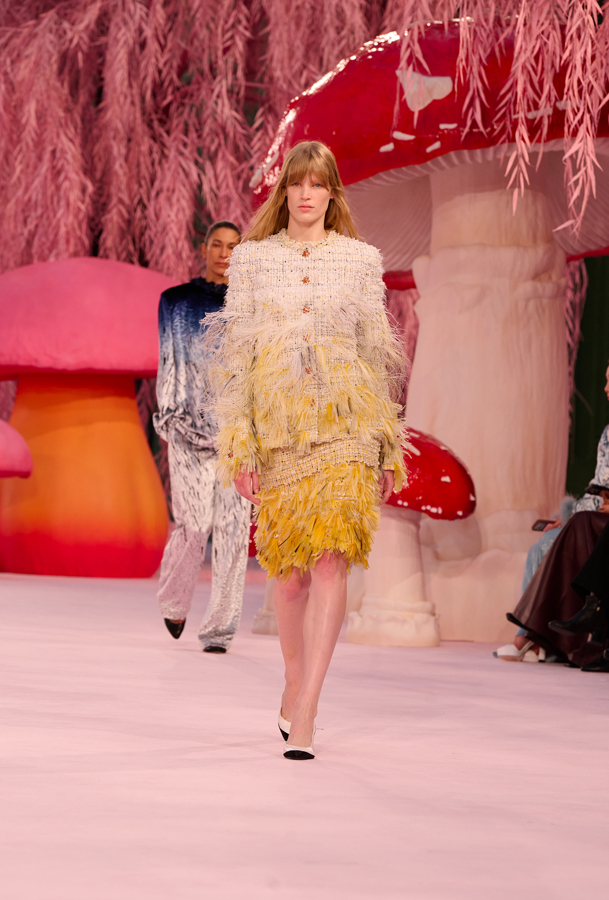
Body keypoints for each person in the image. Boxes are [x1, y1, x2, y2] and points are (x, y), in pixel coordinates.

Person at [206, 141, 407, 759]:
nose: (307, 194)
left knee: (330, 562)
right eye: (297, 183)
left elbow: (376, 354)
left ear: (332, 193)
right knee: (290, 578)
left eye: (318, 183)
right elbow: (237, 357)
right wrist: (240, 446)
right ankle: (293, 681)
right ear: (285, 191)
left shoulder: (361, 261)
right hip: (280, 431)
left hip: (347, 426)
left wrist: (385, 445)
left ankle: (311, 707)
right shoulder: (252, 261)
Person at [153, 221, 251, 653]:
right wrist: (171, 418)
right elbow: (167, 362)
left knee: (233, 532)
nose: (224, 253)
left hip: (237, 439)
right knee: (192, 526)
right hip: (187, 431)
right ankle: (174, 601)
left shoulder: (252, 307)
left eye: (233, 246)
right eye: (217, 245)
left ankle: (219, 630)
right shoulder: (175, 301)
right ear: (205, 248)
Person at [495, 362, 609, 662]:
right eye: (606, 380)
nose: (606, 389)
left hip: (602, 521)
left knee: (571, 532)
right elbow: (597, 487)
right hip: (596, 514)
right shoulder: (608, 433)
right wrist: (567, 516)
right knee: (542, 544)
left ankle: (531, 639)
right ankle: (538, 639)